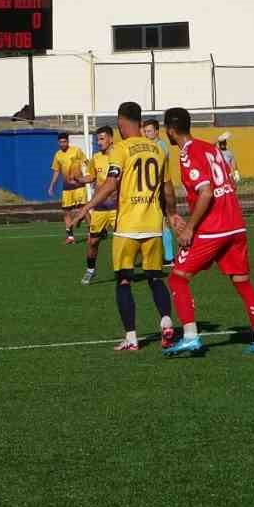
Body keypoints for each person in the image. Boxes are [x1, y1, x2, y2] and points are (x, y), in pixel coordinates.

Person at [163, 107, 254, 357]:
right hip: (236, 224)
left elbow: (206, 191)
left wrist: (189, 227)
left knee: (178, 278)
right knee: (242, 283)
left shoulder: (188, 154)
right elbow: (226, 183)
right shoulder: (211, 148)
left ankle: (190, 337)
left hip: (214, 228)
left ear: (170, 130)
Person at [72, 103, 176, 351]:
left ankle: (131, 338)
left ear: (120, 123)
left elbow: (110, 183)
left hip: (128, 225)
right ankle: (166, 321)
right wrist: (172, 216)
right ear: (140, 122)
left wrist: (87, 207)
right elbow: (168, 189)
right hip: (153, 224)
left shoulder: (121, 149)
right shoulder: (158, 149)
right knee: (154, 278)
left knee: (124, 281)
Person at [79, 126, 118, 285]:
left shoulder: (119, 155)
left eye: (101, 139)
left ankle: (123, 272)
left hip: (117, 207)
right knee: (93, 242)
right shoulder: (96, 158)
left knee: (123, 240)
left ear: (110, 139)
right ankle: (90, 270)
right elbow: (90, 177)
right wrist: (79, 179)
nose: (99, 142)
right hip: (100, 208)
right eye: (97, 139)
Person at [141, 117, 176, 266]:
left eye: (149, 131)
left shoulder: (160, 146)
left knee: (164, 223)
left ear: (156, 131)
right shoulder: (148, 145)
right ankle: (166, 257)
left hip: (160, 190)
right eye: (145, 131)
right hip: (151, 191)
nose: (147, 133)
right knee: (159, 223)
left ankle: (169, 257)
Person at [47, 132, 89, 244]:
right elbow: (56, 171)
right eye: (60, 142)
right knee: (66, 212)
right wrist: (52, 186)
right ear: (58, 142)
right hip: (66, 187)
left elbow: (87, 162)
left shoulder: (76, 150)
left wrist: (90, 177)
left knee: (83, 209)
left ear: (68, 141)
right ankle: (70, 237)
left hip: (79, 186)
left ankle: (91, 233)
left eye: (64, 141)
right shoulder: (58, 155)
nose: (62, 144)